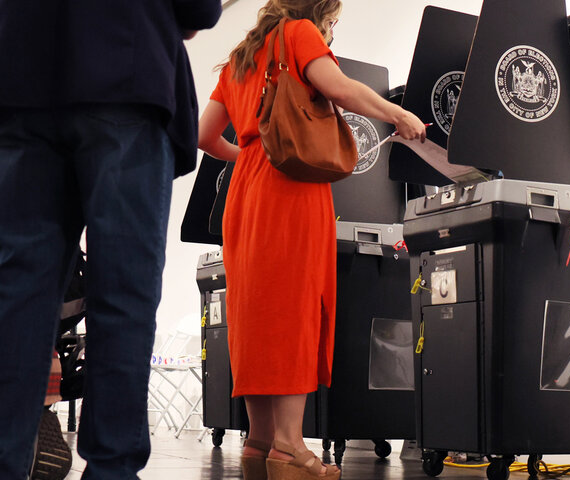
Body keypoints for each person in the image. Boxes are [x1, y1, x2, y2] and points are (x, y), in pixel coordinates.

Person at [197, 0, 425, 479]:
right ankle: (290, 446)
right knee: (294, 309)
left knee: (256, 314)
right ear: (320, 10)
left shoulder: (241, 54)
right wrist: (396, 114)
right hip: (290, 187)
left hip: (246, 194)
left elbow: (203, 135)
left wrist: (248, 157)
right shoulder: (299, 34)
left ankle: (259, 443)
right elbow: (339, 89)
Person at [0, 1, 222, 478]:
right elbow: (199, 7)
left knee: (19, 296)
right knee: (123, 291)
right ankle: (112, 468)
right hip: (127, 66)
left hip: (20, 73)